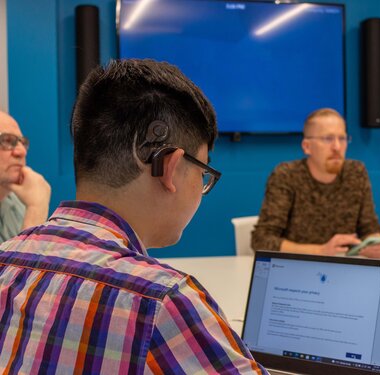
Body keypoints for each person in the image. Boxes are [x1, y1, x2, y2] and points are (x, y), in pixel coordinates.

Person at [0, 59, 267, 374]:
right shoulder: (160, 301)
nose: (201, 188)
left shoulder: (7, 261)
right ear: (168, 167)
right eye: (203, 172)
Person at [252, 108, 380, 259]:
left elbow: (369, 228)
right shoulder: (286, 175)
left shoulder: (356, 172)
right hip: (295, 269)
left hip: (343, 269)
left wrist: (376, 244)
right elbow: (261, 240)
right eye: (328, 139)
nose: (337, 147)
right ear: (307, 146)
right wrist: (321, 251)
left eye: (342, 138)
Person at [0, 111, 51, 242]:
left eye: (22, 142)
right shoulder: (31, 205)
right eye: (7, 140)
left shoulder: (18, 203)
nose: (21, 151)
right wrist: (36, 209)